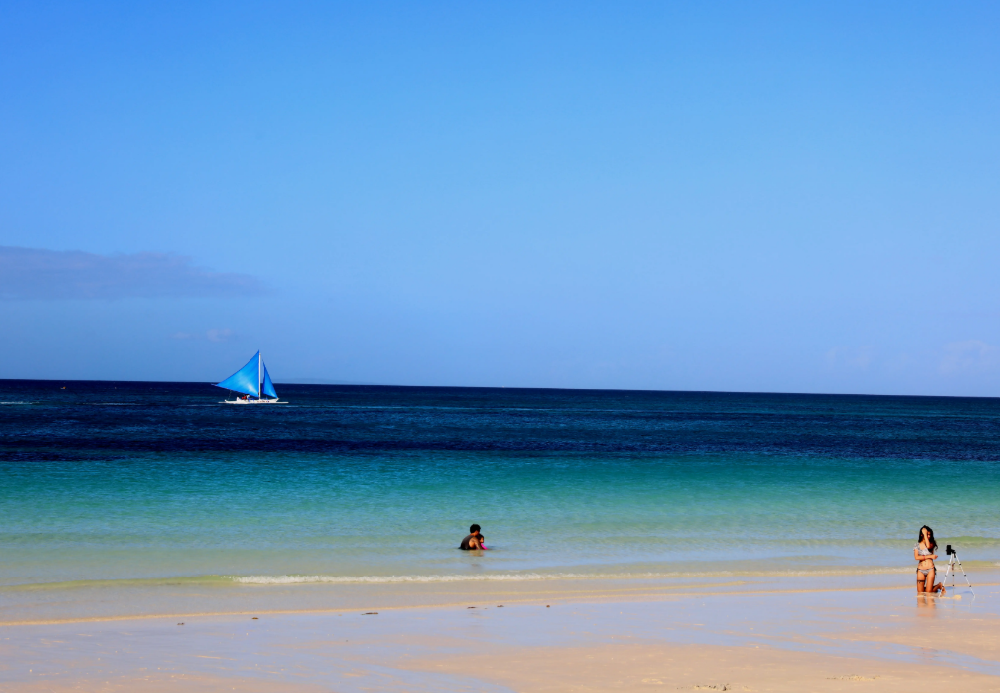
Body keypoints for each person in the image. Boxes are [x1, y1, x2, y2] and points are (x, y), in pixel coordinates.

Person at [914, 525, 945, 596]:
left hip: (930, 569)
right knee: (920, 592)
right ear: (921, 534)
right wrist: (930, 556)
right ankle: (937, 586)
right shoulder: (917, 545)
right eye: (927, 534)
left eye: (929, 534)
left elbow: (927, 546)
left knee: (928, 592)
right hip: (920, 570)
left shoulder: (931, 543)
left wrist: (925, 534)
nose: (928, 536)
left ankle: (939, 585)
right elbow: (916, 557)